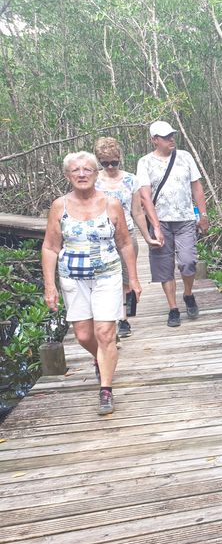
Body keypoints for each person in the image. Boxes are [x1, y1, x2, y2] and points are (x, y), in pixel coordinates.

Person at [41, 151, 142, 415]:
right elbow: (51, 247)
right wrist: (49, 286)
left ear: (96, 174)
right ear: (67, 176)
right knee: (84, 335)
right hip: (73, 278)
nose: (82, 174)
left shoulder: (111, 204)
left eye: (87, 169)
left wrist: (132, 278)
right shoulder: (59, 206)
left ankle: (105, 390)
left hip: (107, 275)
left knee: (105, 333)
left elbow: (124, 243)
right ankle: (102, 359)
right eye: (76, 170)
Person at [136, 121, 209, 327]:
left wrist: (202, 214)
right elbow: (145, 196)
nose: (171, 139)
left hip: (185, 219)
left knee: (187, 261)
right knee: (164, 267)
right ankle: (173, 308)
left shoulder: (185, 157)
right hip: (161, 221)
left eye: (172, 135)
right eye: (166, 136)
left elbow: (196, 187)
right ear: (154, 140)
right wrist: (155, 226)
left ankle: (187, 294)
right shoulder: (145, 162)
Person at [94, 137, 153, 338]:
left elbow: (137, 212)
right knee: (109, 279)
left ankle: (124, 314)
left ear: (120, 158)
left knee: (126, 280)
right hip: (102, 238)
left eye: (114, 162)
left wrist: (147, 237)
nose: (110, 167)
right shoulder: (93, 180)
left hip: (126, 235)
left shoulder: (131, 179)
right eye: (105, 163)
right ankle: (119, 319)